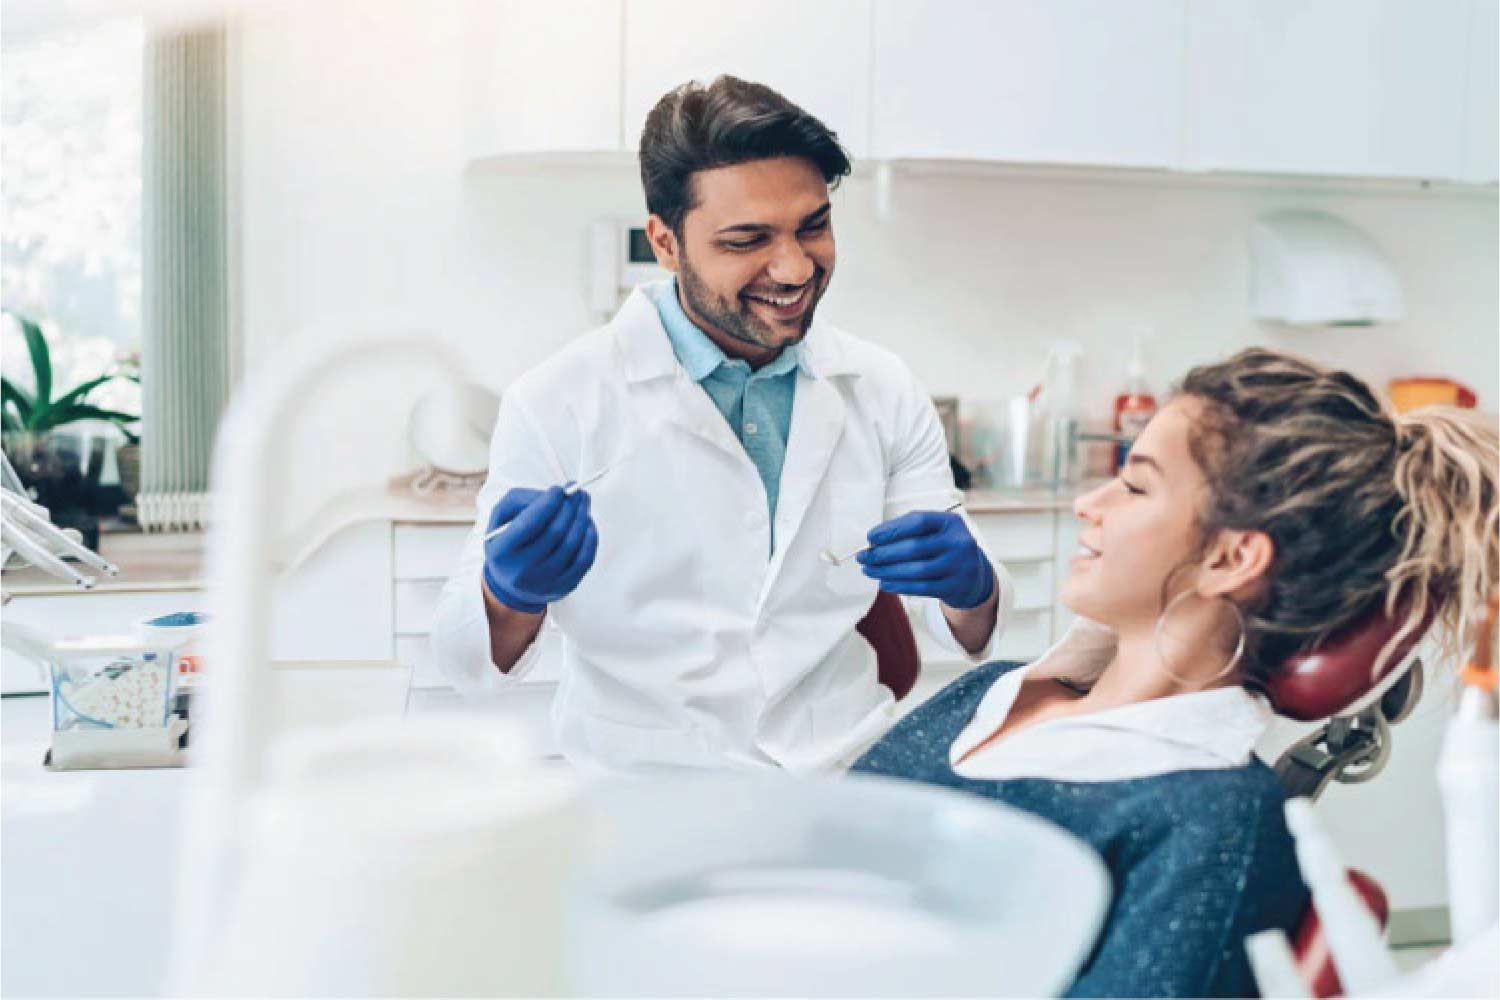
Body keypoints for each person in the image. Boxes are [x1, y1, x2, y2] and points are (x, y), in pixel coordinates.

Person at [854, 348, 1498, 997]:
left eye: (1135, 485)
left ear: (1230, 558)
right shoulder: (984, 693)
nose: (1089, 503)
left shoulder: (1211, 821)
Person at [433, 76, 1013, 774]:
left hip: (842, 770)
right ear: (666, 243)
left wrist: (970, 585)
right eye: (747, 240)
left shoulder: (880, 385)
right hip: (646, 787)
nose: (796, 267)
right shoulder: (558, 399)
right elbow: (464, 661)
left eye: (814, 227)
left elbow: (969, 632)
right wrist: (508, 595)